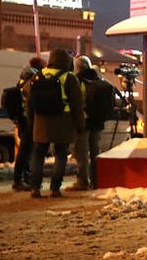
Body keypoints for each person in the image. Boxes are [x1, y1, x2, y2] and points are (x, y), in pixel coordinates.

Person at [27, 48, 85, 198]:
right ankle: (54, 188)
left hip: (41, 121)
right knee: (60, 154)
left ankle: (35, 188)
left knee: (38, 154)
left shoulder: (38, 76)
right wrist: (80, 126)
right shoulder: (69, 78)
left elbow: (29, 103)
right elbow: (77, 105)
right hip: (62, 121)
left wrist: (31, 122)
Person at [66, 55, 104, 191]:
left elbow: (78, 102)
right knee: (95, 153)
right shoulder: (97, 78)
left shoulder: (78, 80)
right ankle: (97, 181)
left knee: (81, 152)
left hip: (84, 121)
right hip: (97, 122)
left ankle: (82, 181)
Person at [11, 57, 45, 191]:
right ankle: (18, 180)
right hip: (29, 119)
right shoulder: (33, 80)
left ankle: (24, 178)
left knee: (26, 150)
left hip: (22, 118)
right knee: (26, 151)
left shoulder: (22, 79)